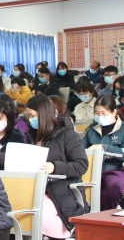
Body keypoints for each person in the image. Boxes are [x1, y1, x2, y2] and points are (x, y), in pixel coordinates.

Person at [24, 95, 88, 238]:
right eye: (28, 116)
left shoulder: (67, 135)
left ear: (43, 114)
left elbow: (81, 165)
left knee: (37, 212)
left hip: (61, 191)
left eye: (32, 116)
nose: (30, 120)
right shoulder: (31, 137)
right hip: (35, 189)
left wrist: (55, 167)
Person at [81, 96, 124, 211]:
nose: (100, 116)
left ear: (114, 112)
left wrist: (104, 147)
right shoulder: (91, 128)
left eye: (103, 113)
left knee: (113, 185)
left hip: (115, 170)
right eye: (97, 113)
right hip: (91, 170)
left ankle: (102, 214)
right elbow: (80, 148)